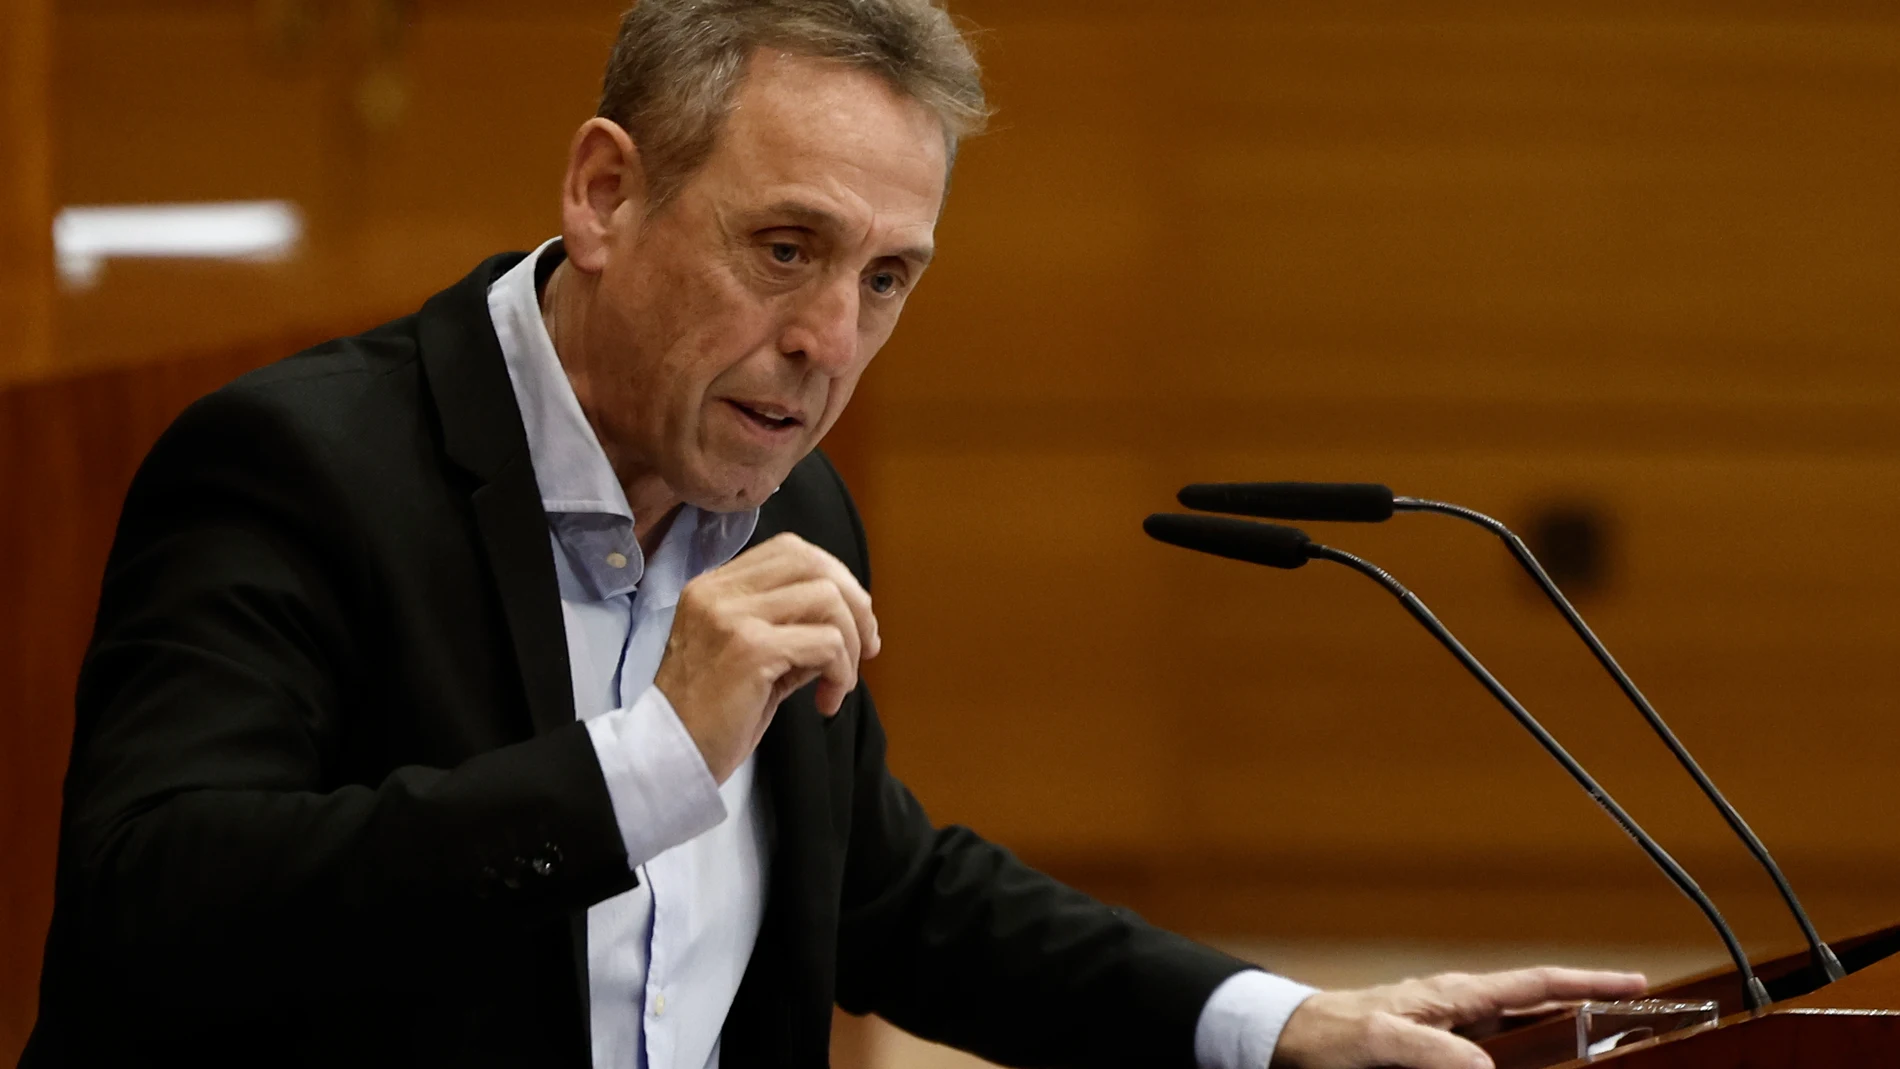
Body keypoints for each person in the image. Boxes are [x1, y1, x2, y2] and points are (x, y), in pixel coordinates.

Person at [22, 1, 1646, 1067]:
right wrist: (654, 758)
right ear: (604, 195)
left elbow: (882, 892)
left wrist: (1287, 1025)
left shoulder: (783, 498)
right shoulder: (299, 468)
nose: (828, 341)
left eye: (885, 281)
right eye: (783, 249)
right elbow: (151, 905)